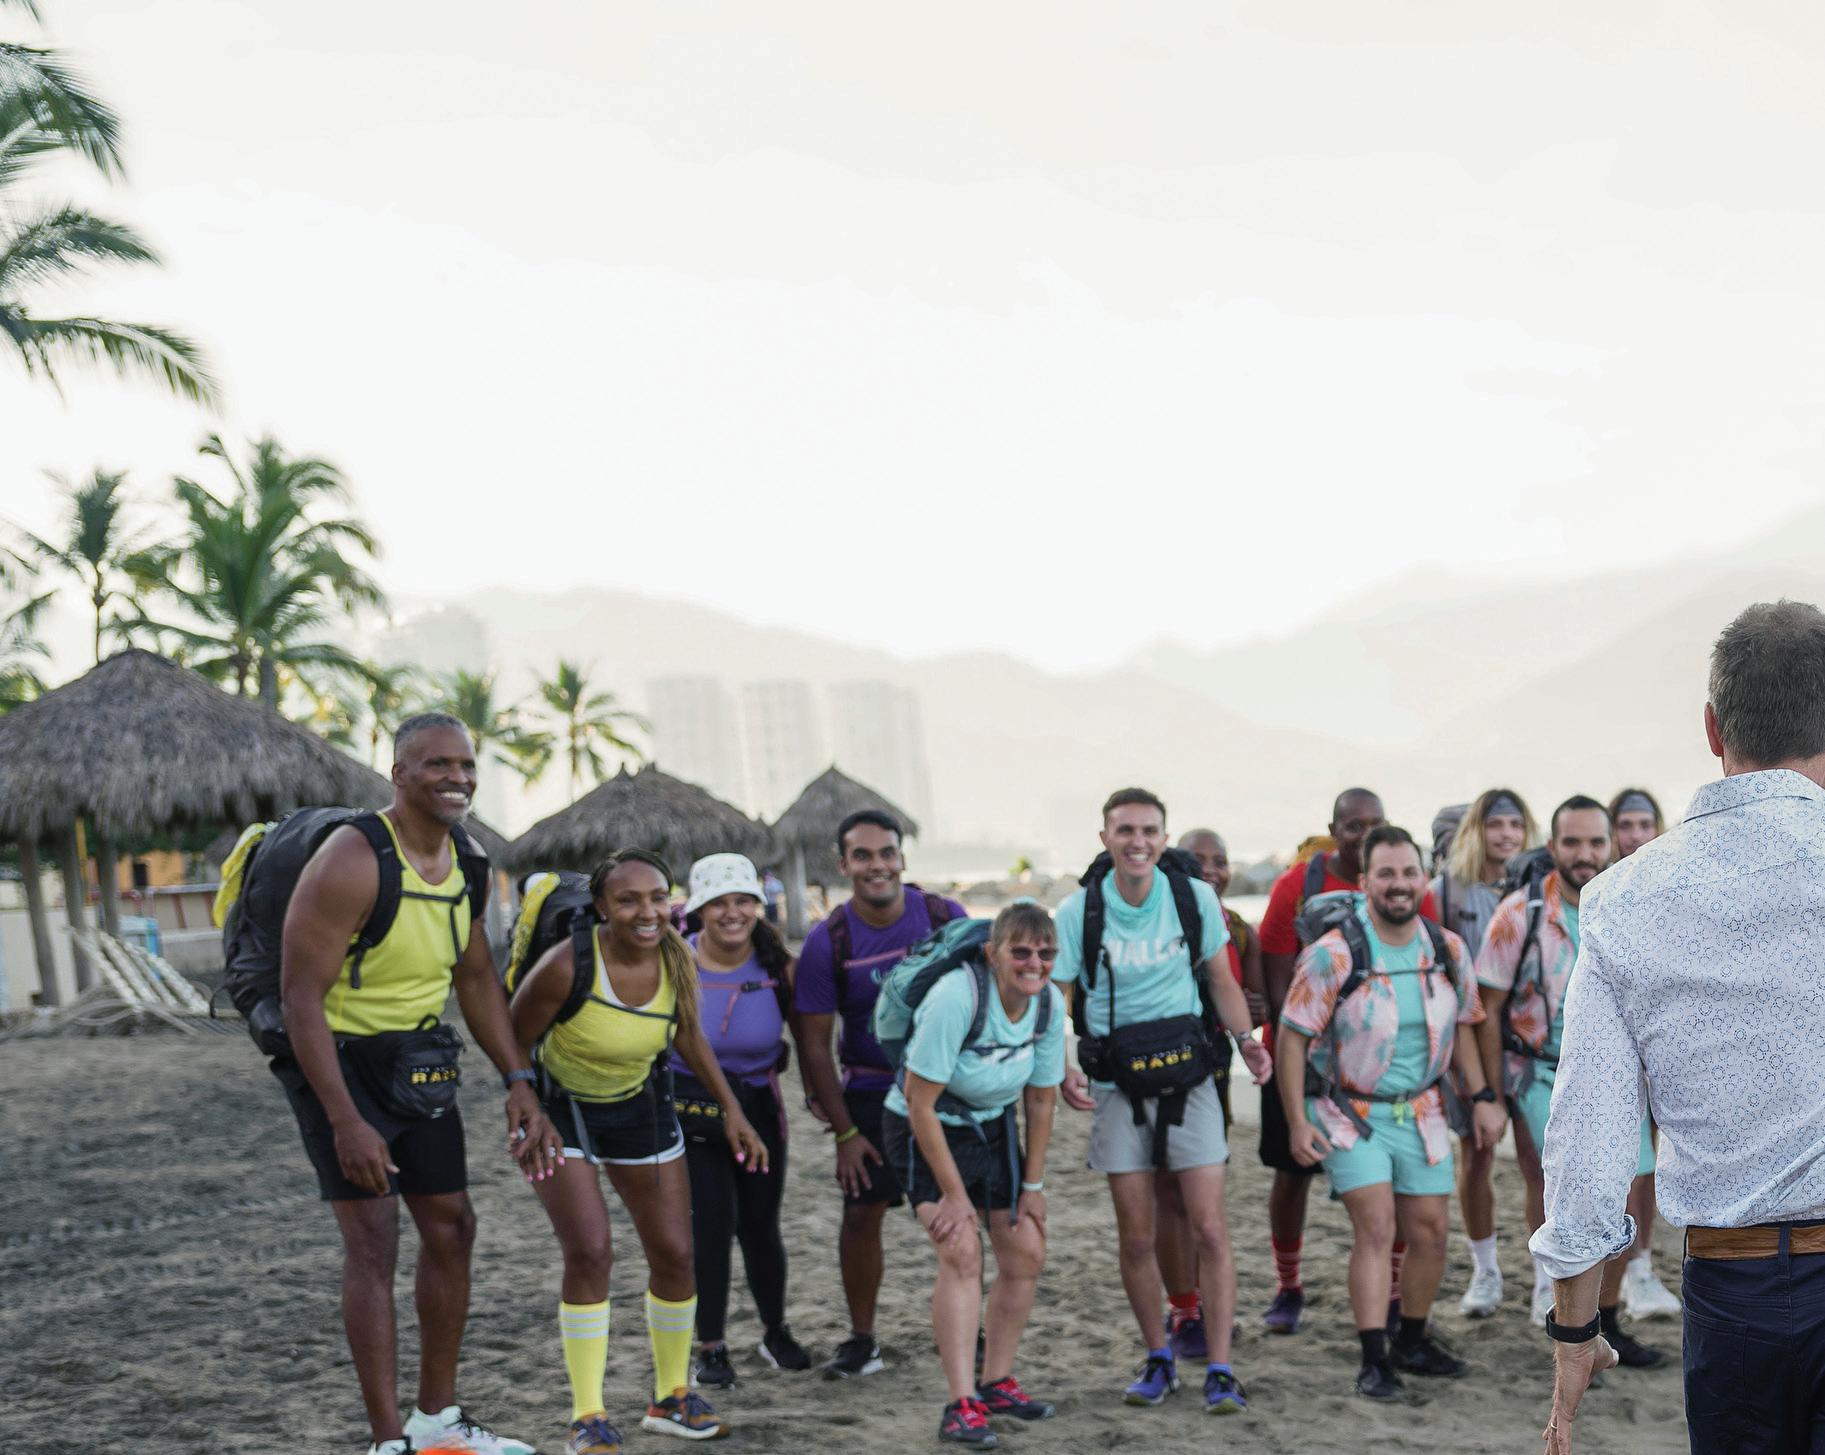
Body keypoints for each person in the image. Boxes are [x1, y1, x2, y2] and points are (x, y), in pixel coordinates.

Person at [1537, 601, 1825, 1455]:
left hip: (1732, 1291)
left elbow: (1587, 1134)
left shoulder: (1622, 899)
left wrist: (1574, 1330)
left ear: (1711, 728)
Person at [278, 713, 553, 1455]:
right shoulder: (352, 858)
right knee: (374, 1241)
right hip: (337, 1060)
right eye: (437, 764)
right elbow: (299, 997)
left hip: (418, 1058)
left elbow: (476, 978)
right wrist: (345, 1119)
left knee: (453, 1227)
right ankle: (386, 1440)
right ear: (399, 773)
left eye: (465, 765)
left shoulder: (470, 863)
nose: (456, 778)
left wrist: (518, 1078)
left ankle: (436, 1421)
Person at [510, 849, 769, 1453]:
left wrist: (732, 1110)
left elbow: (688, 1033)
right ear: (602, 907)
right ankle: (587, 1416)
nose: (647, 912)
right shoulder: (565, 965)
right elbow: (511, 1037)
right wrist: (522, 1105)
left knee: (676, 1252)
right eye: (628, 900)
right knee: (590, 1250)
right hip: (562, 1110)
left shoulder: (677, 956)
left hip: (639, 1105)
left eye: (657, 897)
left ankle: (670, 1397)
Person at [1053, 788, 1271, 1414]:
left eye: (1149, 831)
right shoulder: (1078, 911)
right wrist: (1060, 1067)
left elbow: (1221, 980)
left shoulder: (1191, 897)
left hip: (1190, 1078)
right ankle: (1159, 1357)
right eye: (1125, 830)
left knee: (1210, 1227)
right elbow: (1054, 994)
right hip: (1116, 1084)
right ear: (1105, 838)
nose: (1137, 842)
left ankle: (1221, 1368)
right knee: (1136, 1236)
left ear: (1164, 838)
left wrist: (1247, 1043)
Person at [1276, 825, 1506, 1398]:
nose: (1399, 884)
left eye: (1408, 873)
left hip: (1422, 1110)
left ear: (1424, 878)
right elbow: (1291, 1038)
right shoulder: (1333, 956)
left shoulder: (1446, 950)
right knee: (1377, 1227)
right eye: (1386, 874)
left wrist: (1481, 1098)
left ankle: (1413, 1339)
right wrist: (1297, 1122)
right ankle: (1373, 1359)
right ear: (1364, 882)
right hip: (1349, 1113)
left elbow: (1466, 1025)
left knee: (1431, 1231)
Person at [1474, 797, 1665, 1370]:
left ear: (1611, 845)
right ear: (1552, 846)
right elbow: (1487, 1008)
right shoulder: (1519, 914)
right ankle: (1561, 1313)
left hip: (1618, 1076)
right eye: (1573, 842)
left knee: (1630, 1193)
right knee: (1559, 1192)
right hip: (1542, 1071)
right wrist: (1490, 1095)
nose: (1585, 854)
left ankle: (1608, 1320)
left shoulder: (1628, 905)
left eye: (1595, 842)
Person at [881, 900, 1065, 1447]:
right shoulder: (956, 997)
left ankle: (997, 1382)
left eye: (1046, 954)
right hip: (924, 1127)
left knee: (1026, 1251)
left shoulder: (1049, 1003)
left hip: (994, 1126)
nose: (1034, 964)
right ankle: (960, 1403)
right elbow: (918, 1101)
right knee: (961, 1249)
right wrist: (955, 1196)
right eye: (1021, 952)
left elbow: (1041, 1099)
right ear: (992, 954)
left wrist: (1033, 1187)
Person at [1255, 788, 1438, 1334]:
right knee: (1292, 1175)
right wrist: (1302, 1052)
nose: (1363, 834)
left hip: (1378, 1070)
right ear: (1333, 830)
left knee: (1394, 1189)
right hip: (1301, 1053)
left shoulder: (1404, 888)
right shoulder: (1297, 885)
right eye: (1352, 826)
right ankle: (1288, 1284)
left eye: (1373, 823)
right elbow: (1276, 971)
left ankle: (1394, 1292)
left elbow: (1427, 962)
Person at [793, 809, 968, 1378]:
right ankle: (862, 1339)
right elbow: (814, 1045)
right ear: (843, 865)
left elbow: (985, 995)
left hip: (947, 1088)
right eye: (862, 856)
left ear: (902, 858)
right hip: (872, 1090)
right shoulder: (828, 941)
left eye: (886, 853)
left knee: (962, 1209)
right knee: (862, 1215)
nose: (877, 866)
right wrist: (844, 1133)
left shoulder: (944, 917)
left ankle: (971, 1325)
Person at [673, 853, 811, 1388]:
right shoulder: (675, 962)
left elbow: (809, 1041)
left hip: (760, 1107)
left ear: (758, 904)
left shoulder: (779, 968)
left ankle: (775, 1332)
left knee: (760, 1224)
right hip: (692, 1111)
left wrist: (824, 1102)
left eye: (742, 901)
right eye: (719, 903)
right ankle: (711, 1347)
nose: (732, 913)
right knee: (710, 1225)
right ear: (699, 910)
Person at [1152, 827, 1265, 1361]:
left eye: (1220, 861)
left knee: (1204, 1199)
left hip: (1212, 1069)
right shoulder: (1158, 920)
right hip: (1157, 1067)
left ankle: (1201, 1305)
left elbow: (1258, 1002)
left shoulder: (1237, 928)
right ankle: (1183, 1310)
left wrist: (1252, 1018)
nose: (1211, 872)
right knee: (1169, 1193)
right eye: (1198, 861)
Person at [1431, 787, 1537, 1319]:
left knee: (1538, 1162)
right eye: (1496, 824)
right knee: (1475, 1156)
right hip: (1470, 1042)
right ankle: (1485, 1269)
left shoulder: (1537, 889)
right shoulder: (1447, 891)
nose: (1507, 835)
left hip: (1527, 1047)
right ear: (1477, 829)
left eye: (1516, 824)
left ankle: (1546, 1282)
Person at [1604, 787, 1682, 1322]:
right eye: (1626, 825)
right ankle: (1612, 1271)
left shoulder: (1671, 884)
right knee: (1620, 1166)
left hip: (1660, 1043)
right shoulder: (1605, 892)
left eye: (1644, 824)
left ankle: (1642, 1268)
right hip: (1615, 1050)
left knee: (1650, 1163)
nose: (1636, 836)